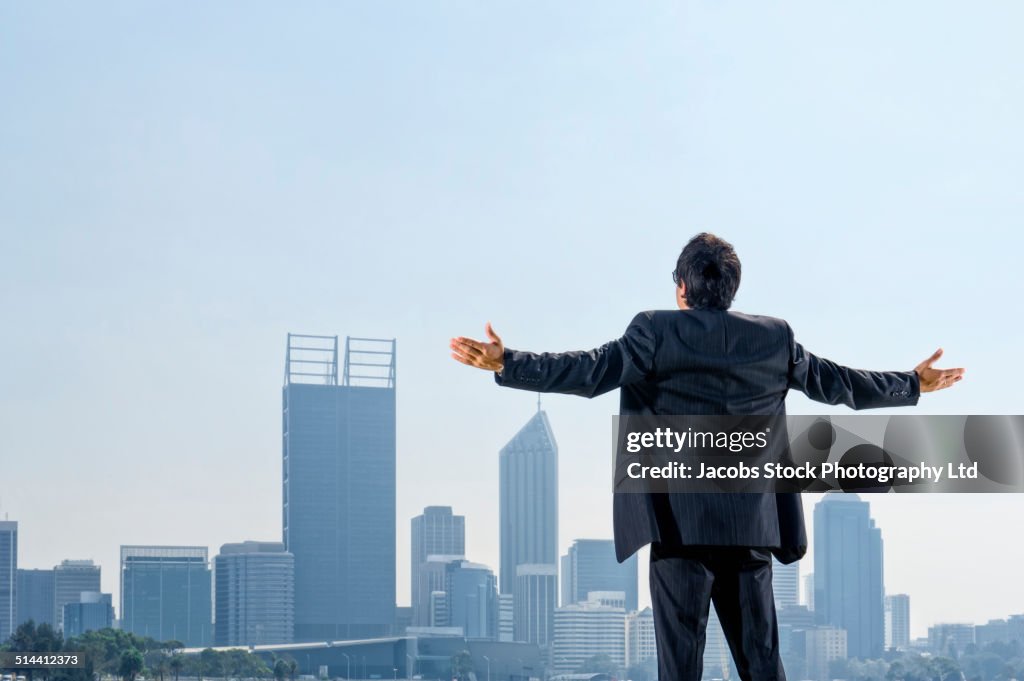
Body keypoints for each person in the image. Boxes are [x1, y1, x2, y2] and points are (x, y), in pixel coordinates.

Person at [449, 232, 964, 681]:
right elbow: (839, 384)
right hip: (750, 530)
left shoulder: (653, 331)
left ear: (681, 287)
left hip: (678, 529)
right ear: (732, 288)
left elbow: (588, 371)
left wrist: (508, 362)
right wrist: (912, 384)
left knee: (680, 669)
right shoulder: (774, 337)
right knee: (762, 666)